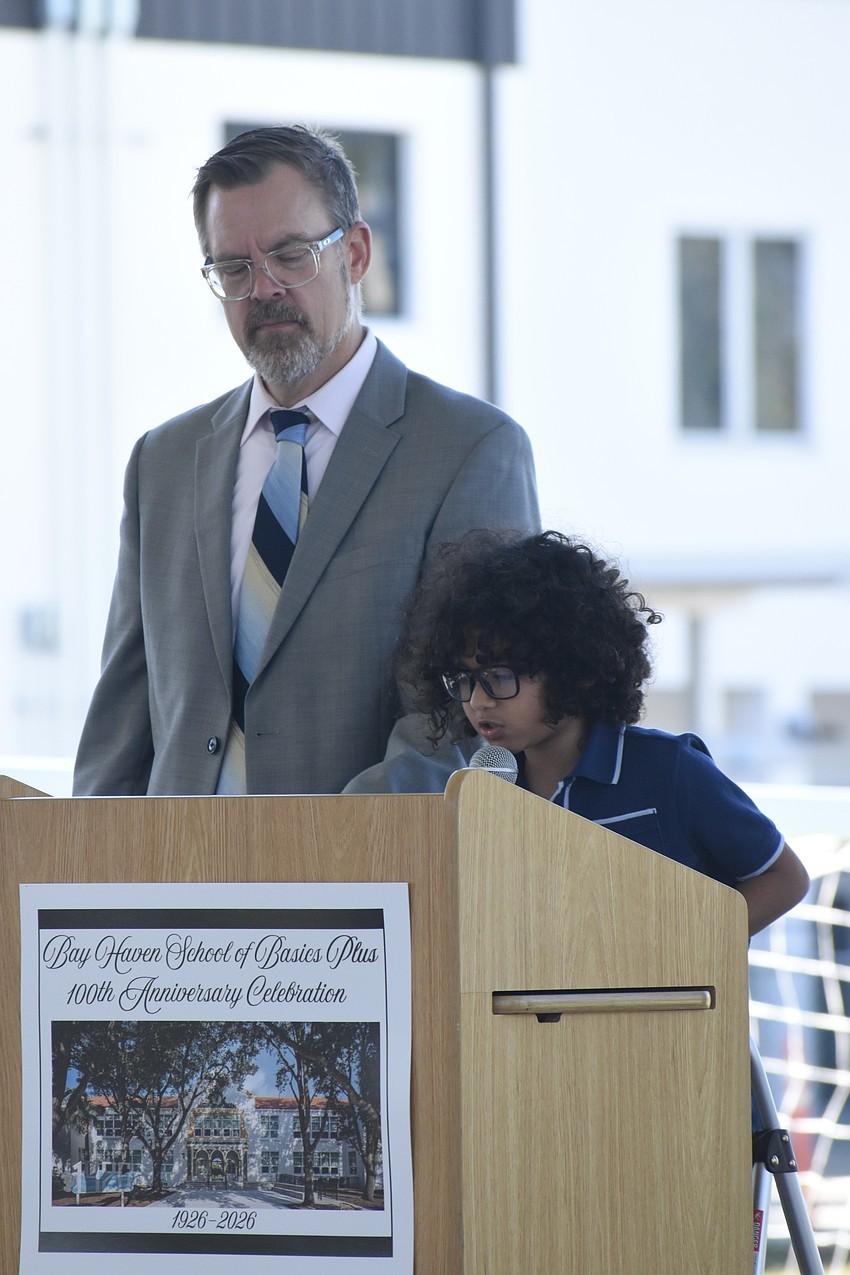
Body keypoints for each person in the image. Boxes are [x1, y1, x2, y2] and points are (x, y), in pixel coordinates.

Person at [72, 126, 539, 797]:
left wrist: (318, 847)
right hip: (172, 863)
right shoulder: (162, 463)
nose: (263, 288)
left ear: (356, 253)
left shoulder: (472, 450)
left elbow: (476, 721)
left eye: (291, 256)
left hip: (366, 860)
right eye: (234, 268)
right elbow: (122, 723)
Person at [345, 530, 809, 936]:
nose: (478, 701)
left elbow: (785, 879)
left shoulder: (669, 770)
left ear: (578, 671)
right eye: (464, 680)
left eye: (500, 677)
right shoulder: (487, 793)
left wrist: (685, 951)